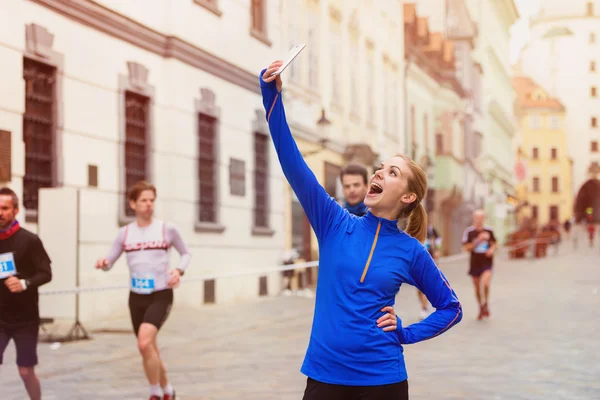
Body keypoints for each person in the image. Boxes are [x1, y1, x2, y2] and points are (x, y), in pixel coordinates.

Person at [261, 61, 462, 400]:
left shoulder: (411, 250)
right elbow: (292, 162)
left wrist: (406, 333)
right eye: (380, 169)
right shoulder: (333, 223)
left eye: (393, 173)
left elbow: (451, 308)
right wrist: (271, 94)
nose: (380, 174)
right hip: (324, 376)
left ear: (408, 196)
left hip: (382, 381)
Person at [95, 181, 191, 400]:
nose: (148, 205)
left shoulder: (167, 229)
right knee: (150, 348)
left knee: (144, 342)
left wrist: (178, 271)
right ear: (132, 204)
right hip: (136, 296)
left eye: (151, 200)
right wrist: (103, 263)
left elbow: (186, 254)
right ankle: (168, 390)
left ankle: (154, 392)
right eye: (143, 201)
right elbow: (110, 260)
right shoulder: (125, 233)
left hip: (161, 293)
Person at [0, 187, 52, 400]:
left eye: (4, 208)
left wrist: (25, 283)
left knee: (25, 371)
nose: (0, 212)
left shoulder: (30, 240)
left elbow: (46, 273)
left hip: (25, 319)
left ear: (16, 210)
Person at [462, 210, 497, 320]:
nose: (479, 220)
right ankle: (480, 306)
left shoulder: (489, 231)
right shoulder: (469, 232)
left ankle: (486, 302)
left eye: (481, 218)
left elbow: (495, 243)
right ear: (474, 218)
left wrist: (491, 249)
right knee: (477, 288)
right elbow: (466, 248)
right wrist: (478, 240)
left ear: (484, 218)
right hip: (475, 263)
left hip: (487, 262)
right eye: (477, 218)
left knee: (486, 283)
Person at [418, 223, 441, 320]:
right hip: (417, 261)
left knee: (425, 285)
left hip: (429, 260)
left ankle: (424, 308)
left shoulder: (430, 229)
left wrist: (437, 250)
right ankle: (424, 306)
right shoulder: (413, 228)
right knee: (418, 288)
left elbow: (439, 239)